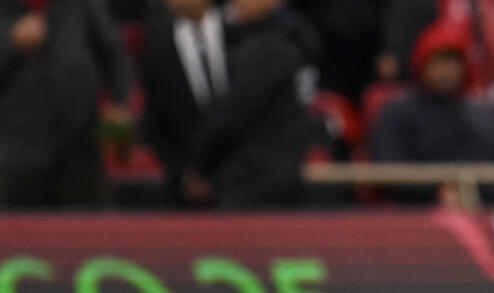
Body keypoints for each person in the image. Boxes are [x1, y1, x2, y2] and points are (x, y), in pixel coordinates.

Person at [140, 0, 319, 207]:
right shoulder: (158, 46)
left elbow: (230, 119)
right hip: (222, 184)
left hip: (256, 186)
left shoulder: (269, 46)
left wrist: (201, 169)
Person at [0, 0, 133, 208]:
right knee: (22, 226)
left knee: (88, 225)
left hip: (82, 147)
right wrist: (11, 43)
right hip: (19, 153)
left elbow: (114, 55)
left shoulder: (83, 5)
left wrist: (119, 101)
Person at [368, 20, 494, 203]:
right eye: (438, 62)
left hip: (486, 205)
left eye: (453, 62)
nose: (446, 71)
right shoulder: (397, 112)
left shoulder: (482, 113)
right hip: (416, 211)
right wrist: (437, 192)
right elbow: (387, 172)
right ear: (422, 64)